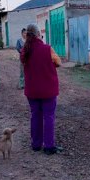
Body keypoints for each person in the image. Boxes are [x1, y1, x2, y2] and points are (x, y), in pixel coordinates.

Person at [20, 24, 61, 155]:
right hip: (48, 89)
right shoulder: (47, 49)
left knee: (35, 116)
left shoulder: (24, 51)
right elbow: (58, 63)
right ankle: (49, 146)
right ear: (38, 34)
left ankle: (36, 144)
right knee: (48, 117)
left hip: (32, 90)